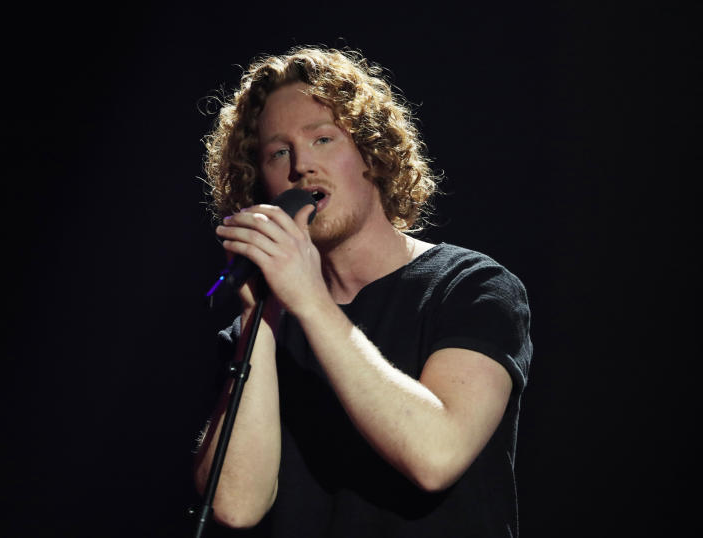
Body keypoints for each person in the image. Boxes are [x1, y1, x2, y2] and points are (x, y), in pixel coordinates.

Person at [192, 46, 532, 537]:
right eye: (278, 152)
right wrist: (258, 321)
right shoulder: (266, 322)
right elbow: (235, 505)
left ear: (372, 153)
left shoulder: (472, 286)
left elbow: (436, 455)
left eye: (323, 139)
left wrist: (309, 300)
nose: (301, 166)